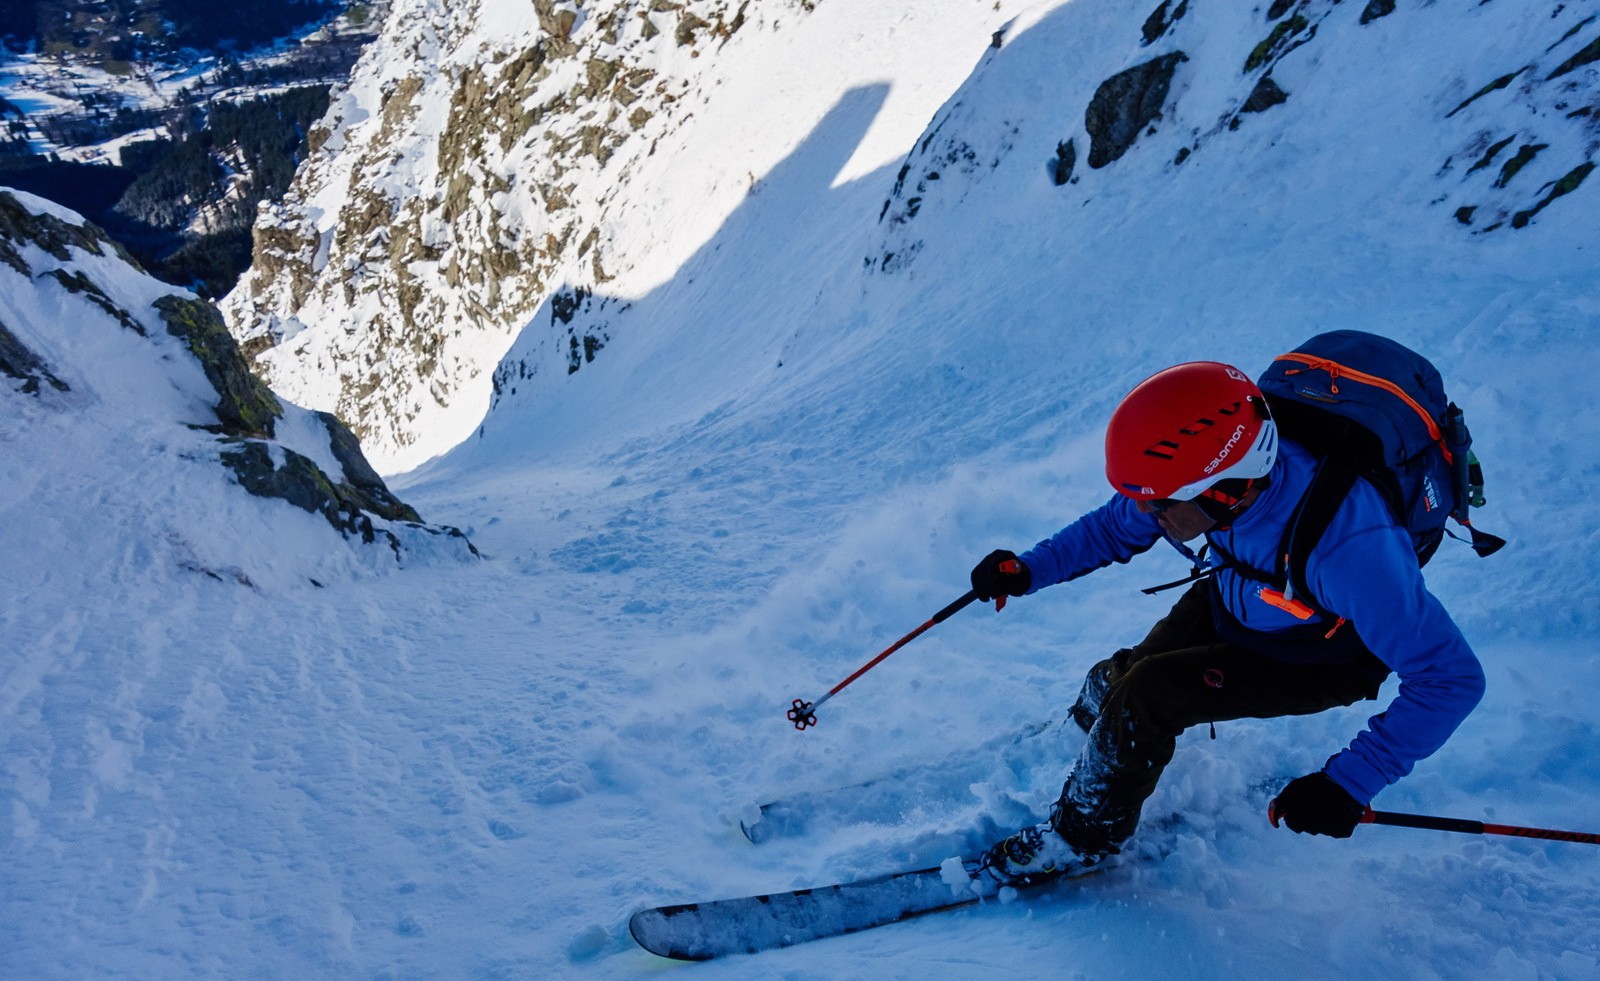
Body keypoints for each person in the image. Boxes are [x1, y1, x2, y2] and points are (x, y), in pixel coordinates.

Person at [967, 360, 1486, 889]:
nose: (1146, 512)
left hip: (1323, 653)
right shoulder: (1210, 485)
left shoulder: (1349, 550)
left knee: (1148, 694)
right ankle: (1091, 736)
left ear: (1224, 490)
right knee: (1117, 680)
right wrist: (1028, 570)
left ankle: (1080, 837)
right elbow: (1112, 526)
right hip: (1245, 591)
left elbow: (1450, 678)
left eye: (1159, 502)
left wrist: (1348, 784)